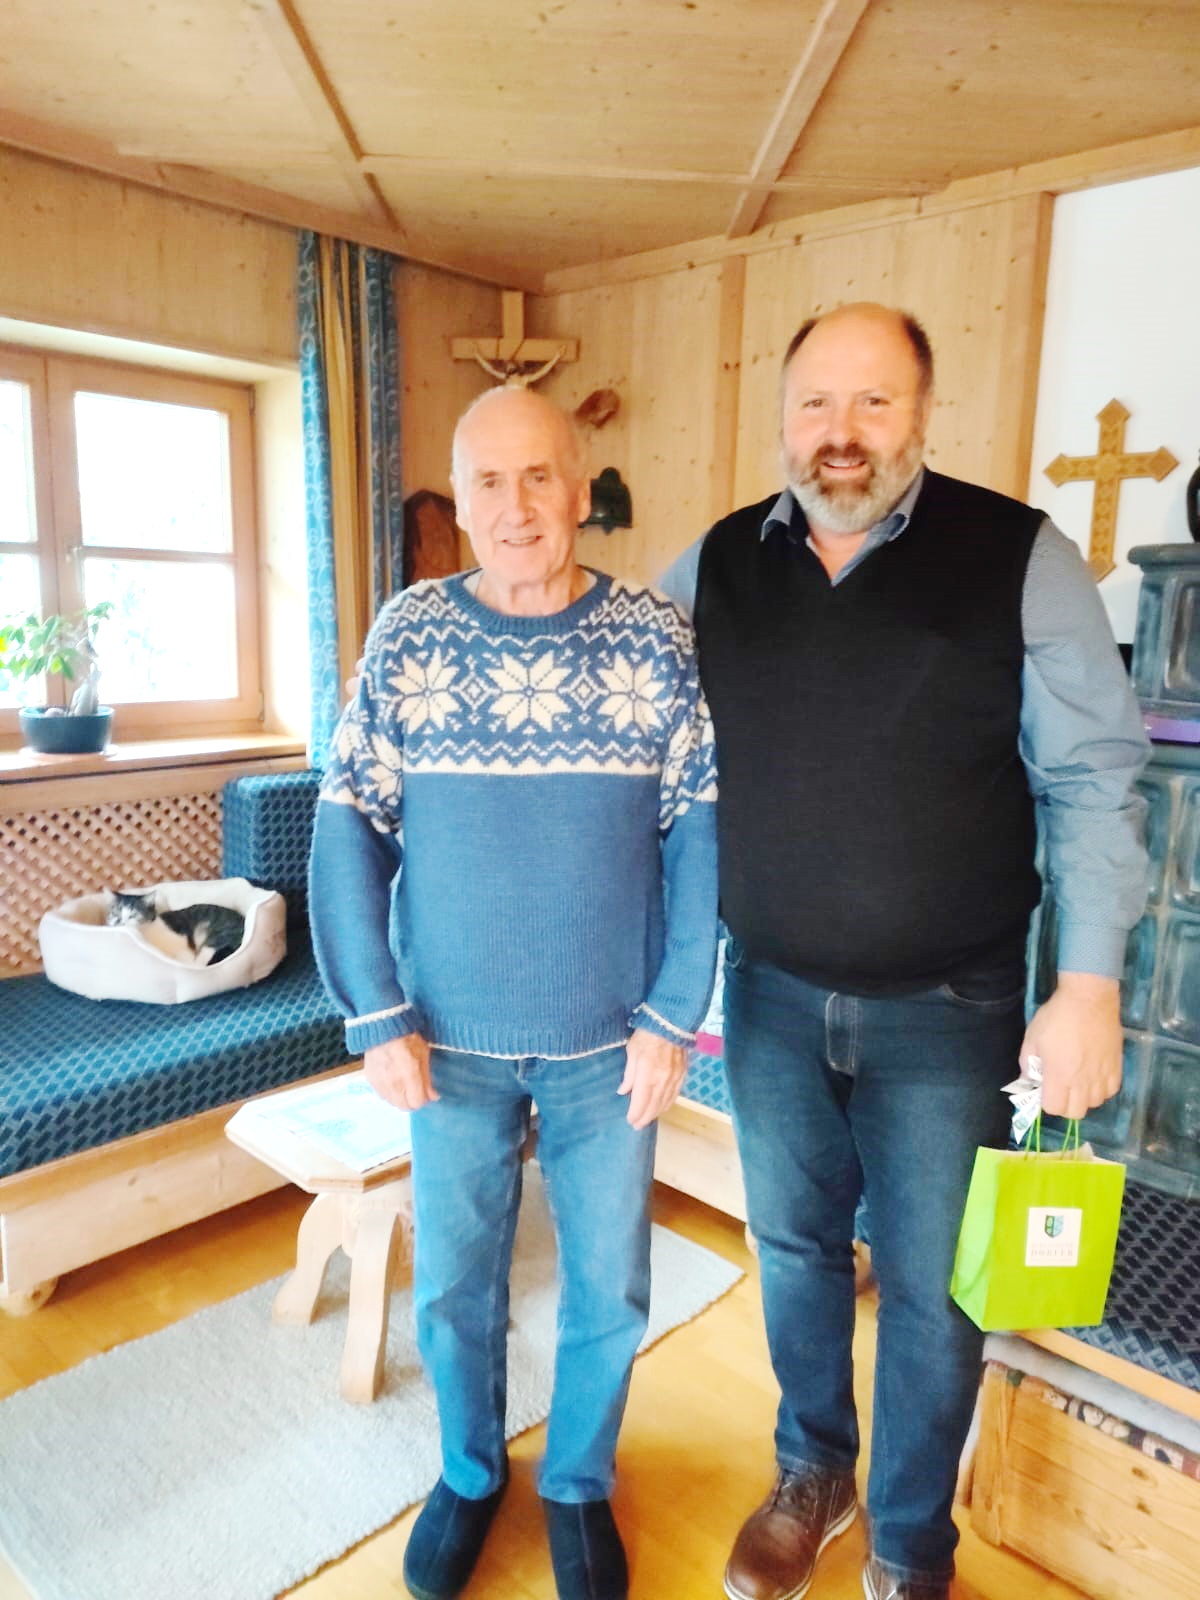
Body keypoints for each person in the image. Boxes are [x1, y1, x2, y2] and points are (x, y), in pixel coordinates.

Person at [659, 303, 1149, 1600]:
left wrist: (1088, 986)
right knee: (795, 1252)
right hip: (766, 998)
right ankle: (812, 1470)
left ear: (923, 413)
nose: (842, 431)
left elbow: (1096, 781)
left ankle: (912, 1542)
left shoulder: (1021, 556)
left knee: (936, 1293)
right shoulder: (712, 566)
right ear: (782, 416)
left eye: (875, 401)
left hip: (950, 1010)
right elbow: (616, 716)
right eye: (816, 401)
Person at [309, 385, 718, 1600]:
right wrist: (376, 1011)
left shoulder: (653, 634)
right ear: (462, 498)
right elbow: (347, 822)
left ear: (580, 491)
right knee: (453, 1281)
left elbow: (699, 826)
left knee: (612, 1284)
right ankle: (470, 1470)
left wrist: (674, 1013)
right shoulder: (409, 632)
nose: (516, 505)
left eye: (540, 475)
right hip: (447, 1042)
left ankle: (578, 1481)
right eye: (488, 480)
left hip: (610, 1042)